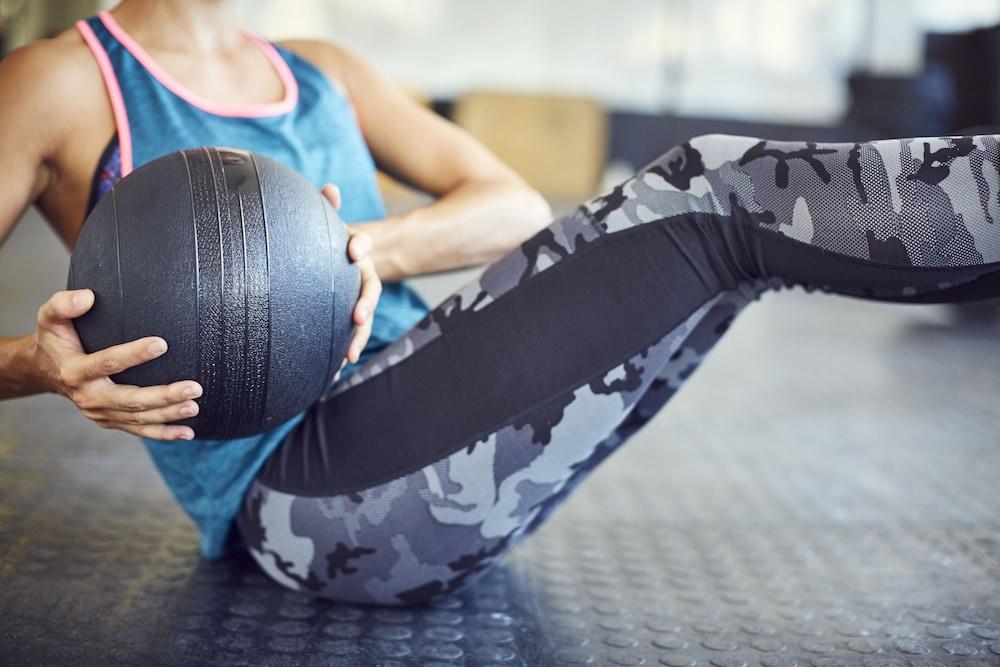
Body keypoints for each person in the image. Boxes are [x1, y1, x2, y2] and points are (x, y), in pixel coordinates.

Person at [1, 1, 998, 606]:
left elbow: (510, 204)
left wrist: (362, 254)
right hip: (297, 492)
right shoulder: (58, 83)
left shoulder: (319, 72)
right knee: (719, 196)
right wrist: (42, 367)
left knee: (723, 222)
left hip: (407, 400)